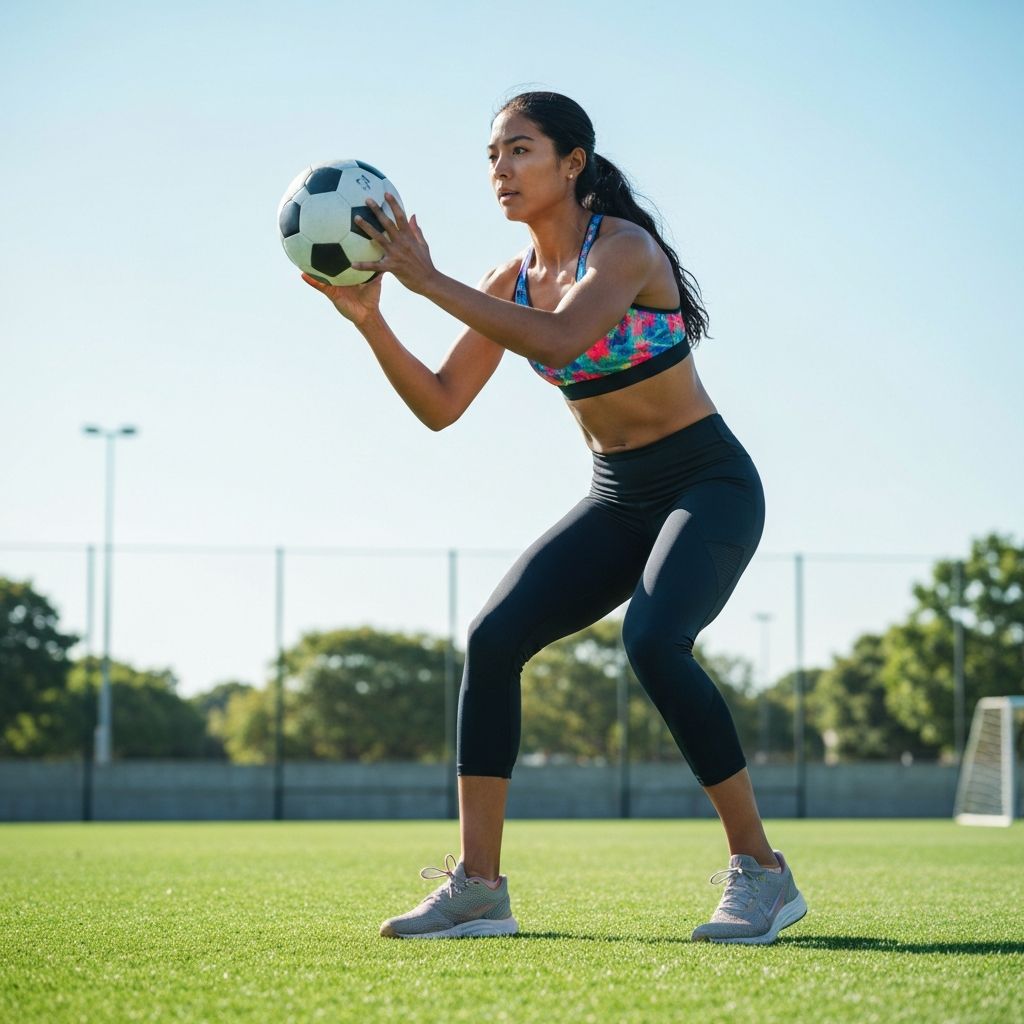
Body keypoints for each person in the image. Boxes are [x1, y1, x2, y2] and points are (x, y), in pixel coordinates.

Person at [302, 91, 807, 945]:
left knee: (652, 640)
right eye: (493, 156)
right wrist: (373, 320)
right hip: (619, 496)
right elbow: (440, 403)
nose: (500, 170)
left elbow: (564, 340)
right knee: (492, 639)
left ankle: (762, 871)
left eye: (521, 151)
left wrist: (426, 278)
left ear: (573, 163)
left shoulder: (625, 251)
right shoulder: (512, 279)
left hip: (708, 484)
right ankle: (479, 887)